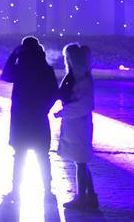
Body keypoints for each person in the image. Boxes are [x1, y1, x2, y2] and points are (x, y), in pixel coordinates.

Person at [0, 36, 58, 200]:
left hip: (21, 119)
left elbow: (5, 75)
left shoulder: (20, 69)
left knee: (19, 156)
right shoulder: (47, 69)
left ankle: (16, 190)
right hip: (39, 118)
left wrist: (14, 54)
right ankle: (47, 189)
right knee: (42, 156)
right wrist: (44, 109)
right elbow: (55, 93)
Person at [54, 43, 98, 211]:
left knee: (80, 161)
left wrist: (63, 112)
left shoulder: (83, 79)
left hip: (79, 125)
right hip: (74, 125)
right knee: (80, 161)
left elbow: (84, 105)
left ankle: (82, 197)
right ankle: (90, 195)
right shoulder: (75, 77)